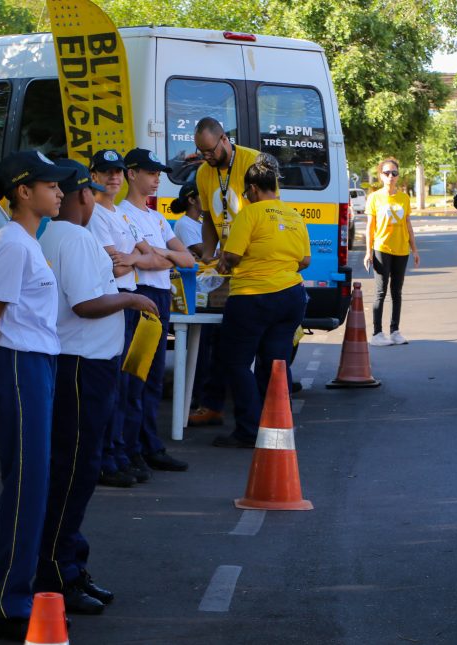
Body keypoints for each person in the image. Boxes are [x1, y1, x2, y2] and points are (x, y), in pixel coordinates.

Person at [35, 159, 159, 615]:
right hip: (83, 367)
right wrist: (133, 297)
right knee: (75, 472)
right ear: (83, 196)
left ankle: (67, 566)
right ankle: (57, 573)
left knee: (73, 471)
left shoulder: (52, 236)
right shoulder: (77, 238)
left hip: (76, 364)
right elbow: (87, 303)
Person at [0, 151, 73, 641]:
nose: (60, 192)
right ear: (24, 192)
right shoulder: (12, 243)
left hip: (36, 364)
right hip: (17, 365)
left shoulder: (28, 242)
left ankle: (20, 594)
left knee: (35, 482)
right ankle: (11, 604)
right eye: (51, 185)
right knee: (27, 487)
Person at [212, 154, 310, 448]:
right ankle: (278, 427)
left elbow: (232, 256)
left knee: (237, 362)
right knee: (276, 363)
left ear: (253, 189)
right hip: (291, 296)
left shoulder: (250, 214)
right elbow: (304, 260)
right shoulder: (293, 215)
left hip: (252, 298)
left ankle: (248, 429)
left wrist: (224, 262)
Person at [118, 148, 195, 471]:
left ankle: (149, 444)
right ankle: (131, 447)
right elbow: (148, 258)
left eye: (158, 174)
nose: (155, 181)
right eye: (150, 173)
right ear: (131, 174)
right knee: (134, 376)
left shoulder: (157, 217)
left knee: (151, 377)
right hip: (141, 295)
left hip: (161, 296)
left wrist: (155, 255)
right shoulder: (123, 214)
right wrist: (160, 256)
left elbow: (188, 260)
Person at [86, 149, 155, 488]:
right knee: (112, 385)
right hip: (116, 299)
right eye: (105, 172)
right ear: (93, 175)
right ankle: (106, 458)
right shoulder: (97, 214)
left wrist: (132, 259)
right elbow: (112, 264)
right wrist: (133, 259)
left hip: (129, 298)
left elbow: (149, 255)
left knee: (127, 384)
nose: (113, 177)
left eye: (117, 171)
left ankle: (118, 452)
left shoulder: (121, 215)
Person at [188, 117, 262, 427]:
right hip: (223, 266)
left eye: (208, 150)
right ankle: (212, 404)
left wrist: (236, 254)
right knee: (215, 335)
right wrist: (207, 253)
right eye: (199, 151)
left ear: (224, 139)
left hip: (252, 266)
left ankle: (253, 417)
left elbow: (264, 213)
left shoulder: (255, 162)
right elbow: (208, 217)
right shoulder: (203, 173)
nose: (205, 156)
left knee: (240, 343)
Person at [362, 158, 419, 346]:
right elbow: (370, 227)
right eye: (387, 173)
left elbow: (408, 224)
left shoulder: (403, 198)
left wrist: (414, 249)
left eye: (394, 173)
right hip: (381, 248)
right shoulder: (374, 198)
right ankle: (377, 333)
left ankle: (395, 331)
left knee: (397, 291)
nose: (390, 176)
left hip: (401, 249)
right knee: (380, 291)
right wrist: (368, 252)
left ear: (398, 175)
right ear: (380, 176)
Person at [171, 181, 204, 258]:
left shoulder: (202, 222)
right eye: (203, 195)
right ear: (192, 200)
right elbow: (204, 253)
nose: (207, 198)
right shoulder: (184, 224)